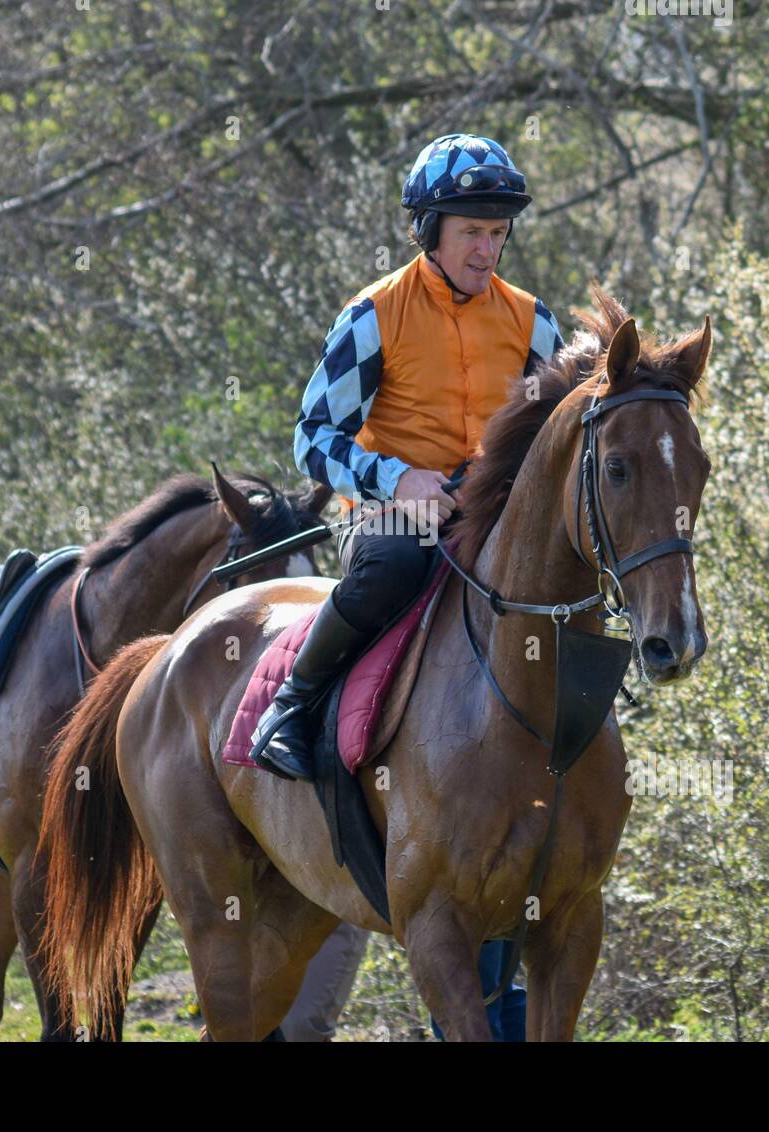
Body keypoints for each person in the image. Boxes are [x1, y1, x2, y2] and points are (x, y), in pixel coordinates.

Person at [253, 132, 565, 1039]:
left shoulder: (532, 322)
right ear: (429, 229)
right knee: (388, 562)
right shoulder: (374, 314)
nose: (487, 248)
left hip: (495, 529)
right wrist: (399, 483)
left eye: (499, 233)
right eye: (472, 229)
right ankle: (296, 702)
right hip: (398, 519)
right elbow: (312, 438)